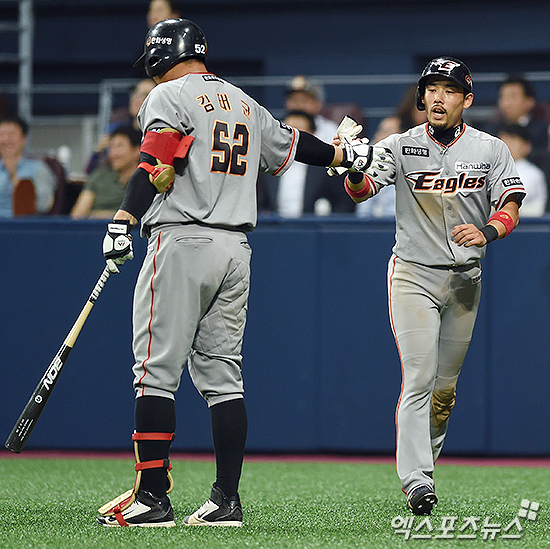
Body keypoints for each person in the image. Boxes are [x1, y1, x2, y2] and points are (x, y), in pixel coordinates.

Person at [96, 18, 389, 528]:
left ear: (162, 56)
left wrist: (123, 218)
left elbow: (154, 160)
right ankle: (225, 500)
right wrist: (344, 155)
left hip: (183, 239)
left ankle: (153, 498)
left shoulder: (167, 96)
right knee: (222, 377)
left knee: (154, 372)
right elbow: (294, 144)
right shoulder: (244, 102)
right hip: (236, 250)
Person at [341, 57, 526, 516]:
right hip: (413, 275)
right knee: (419, 377)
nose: (438, 97)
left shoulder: (490, 148)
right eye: (431, 89)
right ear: (422, 97)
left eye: (449, 90)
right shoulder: (400, 145)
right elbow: (362, 191)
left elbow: (511, 206)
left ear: (467, 99)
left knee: (444, 393)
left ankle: (426, 466)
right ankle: (417, 480)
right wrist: (352, 167)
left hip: (465, 280)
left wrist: (487, 230)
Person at [262, 110, 355, 216]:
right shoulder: (270, 164)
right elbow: (261, 202)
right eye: (287, 131)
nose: (290, 137)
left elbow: (343, 203)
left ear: (311, 135)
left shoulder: (327, 167)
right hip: (276, 225)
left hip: (314, 225)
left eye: (297, 131)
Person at [86, 79, 155, 174]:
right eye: (135, 92)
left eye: (144, 94)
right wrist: (99, 151)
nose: (136, 98)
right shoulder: (118, 129)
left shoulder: (159, 132)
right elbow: (90, 171)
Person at [71, 126, 141, 219]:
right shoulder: (99, 177)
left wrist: (96, 215)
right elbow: (77, 215)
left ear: (137, 150)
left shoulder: (146, 180)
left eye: (119, 146)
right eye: (111, 147)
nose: (113, 153)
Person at [0, 114, 57, 217]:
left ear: (24, 139)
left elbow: (44, 205)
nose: (6, 139)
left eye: (11, 134)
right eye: (1, 134)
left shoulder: (39, 169)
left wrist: (23, 192)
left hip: (23, 224)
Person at [485, 75, 549, 152]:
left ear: (529, 101)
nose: (506, 103)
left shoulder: (541, 131)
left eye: (513, 97)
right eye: (502, 97)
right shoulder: (491, 131)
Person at [498, 124, 547, 216]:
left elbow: (510, 200)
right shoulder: (492, 170)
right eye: (503, 141)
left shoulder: (533, 173)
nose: (507, 145)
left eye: (512, 140)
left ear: (526, 146)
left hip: (528, 223)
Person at [284, 75, 338, 143]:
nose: (299, 106)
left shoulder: (330, 131)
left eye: (304, 101)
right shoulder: (278, 128)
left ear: (317, 104)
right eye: (294, 100)